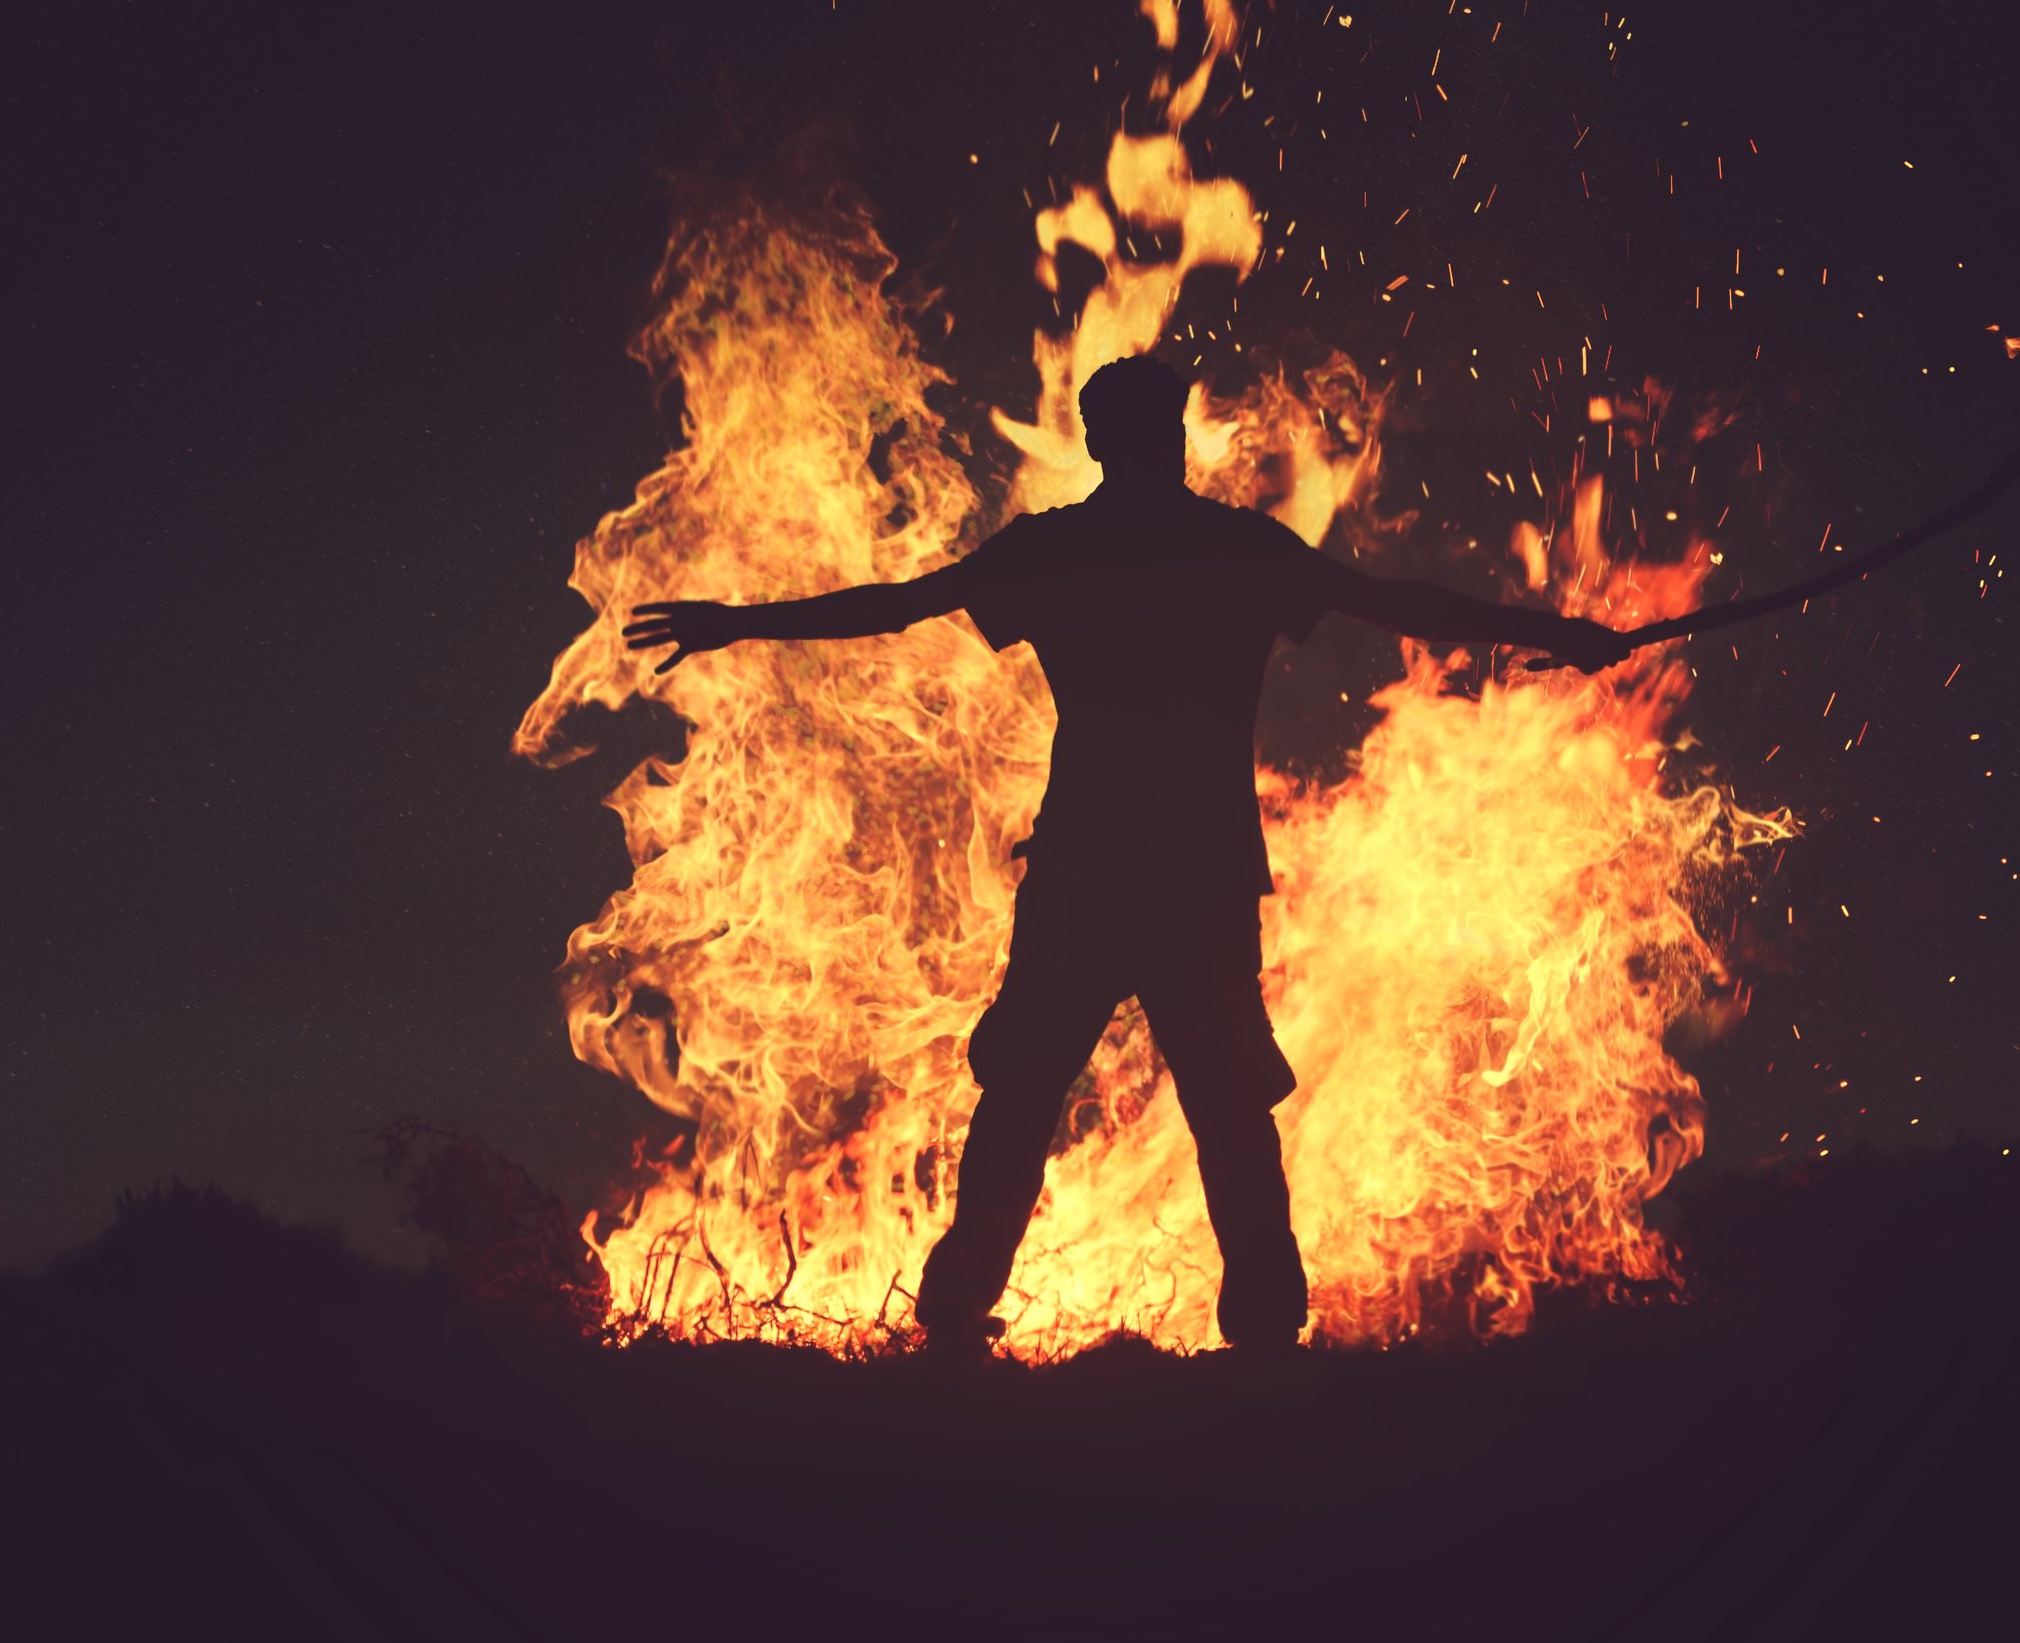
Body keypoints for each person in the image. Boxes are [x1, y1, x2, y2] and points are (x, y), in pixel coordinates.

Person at [622, 353, 1631, 1351]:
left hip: (1088, 874)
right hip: (1194, 874)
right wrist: (1555, 633)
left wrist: (736, 623)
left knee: (1027, 1093)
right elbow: (1401, 602)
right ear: (1171, 436)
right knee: (1224, 1105)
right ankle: (1263, 1330)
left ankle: (957, 1314)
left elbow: (894, 605)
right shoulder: (1235, 550)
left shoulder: (1060, 551)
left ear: (1103, 440)